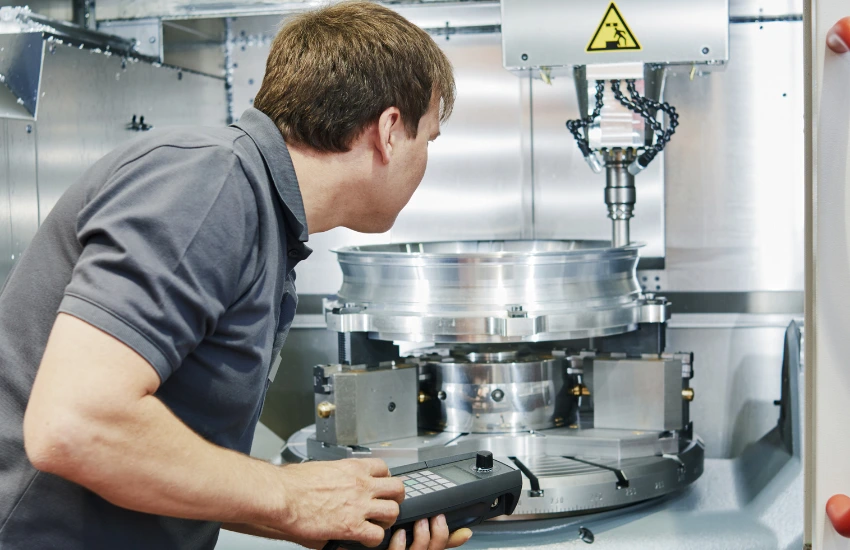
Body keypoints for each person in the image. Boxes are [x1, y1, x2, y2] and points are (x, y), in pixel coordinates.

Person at [0, 2, 469, 549]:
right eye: (428, 139)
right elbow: (75, 426)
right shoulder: (210, 182)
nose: (425, 160)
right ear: (389, 132)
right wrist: (292, 498)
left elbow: (173, 466)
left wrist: (338, 517)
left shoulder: (264, 216)